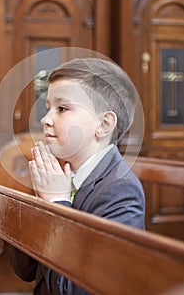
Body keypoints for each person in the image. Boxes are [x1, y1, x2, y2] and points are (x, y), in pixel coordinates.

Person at [11, 57, 145, 294]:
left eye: (62, 108)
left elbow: (78, 289)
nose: (46, 119)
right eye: (48, 108)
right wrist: (37, 204)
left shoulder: (120, 191)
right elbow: (25, 270)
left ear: (104, 124)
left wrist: (58, 205)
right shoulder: (59, 175)